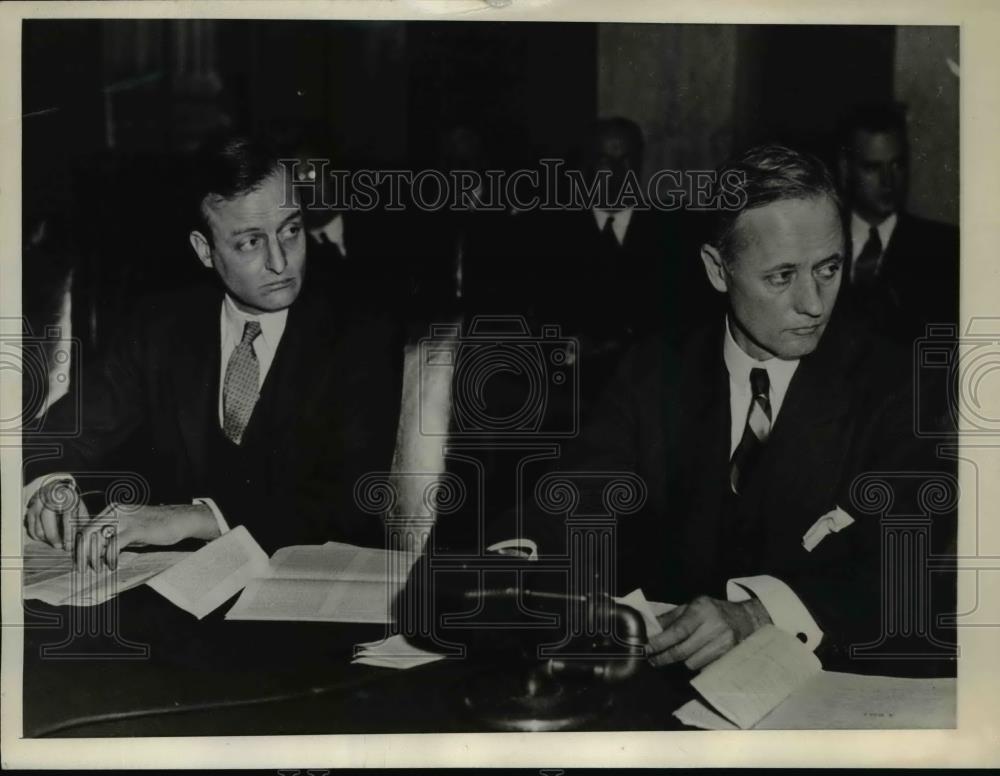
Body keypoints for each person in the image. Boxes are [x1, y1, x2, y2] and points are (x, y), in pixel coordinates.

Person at [518, 144, 954, 675]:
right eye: (781, 277)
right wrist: (506, 564)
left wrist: (756, 615)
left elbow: (908, 575)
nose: (813, 304)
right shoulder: (654, 371)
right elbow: (569, 503)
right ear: (717, 271)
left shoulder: (900, 384)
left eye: (828, 268)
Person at [22, 133, 405, 566]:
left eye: (291, 231)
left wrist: (196, 518)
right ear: (205, 251)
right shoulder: (161, 327)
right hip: (181, 600)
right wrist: (52, 486)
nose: (280, 262)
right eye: (249, 243)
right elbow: (60, 431)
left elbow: (350, 502)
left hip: (313, 594)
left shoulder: (360, 328)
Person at [836, 102, 960, 347]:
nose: (888, 181)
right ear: (845, 168)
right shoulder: (818, 241)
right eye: (872, 167)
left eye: (898, 164)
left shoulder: (945, 248)